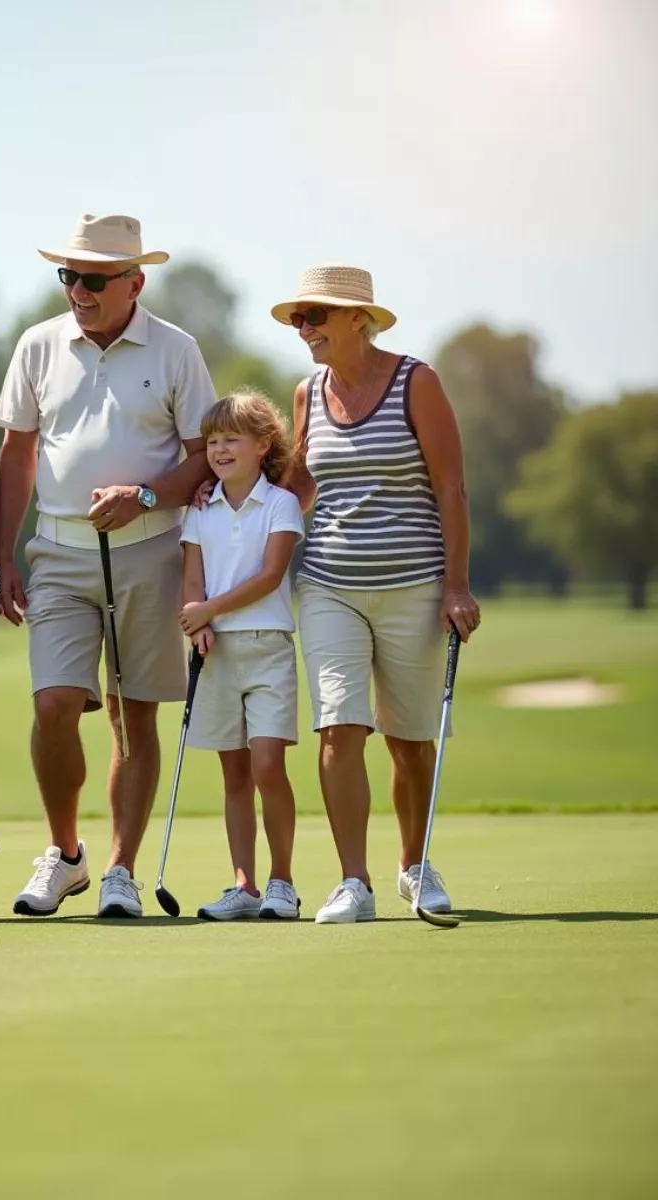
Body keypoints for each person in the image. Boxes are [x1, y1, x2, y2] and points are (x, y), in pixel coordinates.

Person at [0, 212, 216, 919]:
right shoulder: (37, 345)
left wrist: (144, 495)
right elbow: (17, 455)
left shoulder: (177, 350)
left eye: (92, 279)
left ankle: (121, 868)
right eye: (68, 276)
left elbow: (205, 456)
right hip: (57, 549)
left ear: (134, 282)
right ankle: (65, 857)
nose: (77, 290)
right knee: (54, 704)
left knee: (132, 717)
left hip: (150, 548)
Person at [270, 264, 481, 923]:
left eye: (317, 317)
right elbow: (301, 487)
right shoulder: (308, 392)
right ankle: (352, 882)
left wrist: (456, 584)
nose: (304, 330)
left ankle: (414, 867)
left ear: (359, 319)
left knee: (409, 740)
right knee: (339, 726)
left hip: (414, 586)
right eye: (299, 319)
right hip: (330, 584)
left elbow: (451, 487)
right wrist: (240, 512)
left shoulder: (417, 382)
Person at [178, 391, 305, 921]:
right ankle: (245, 886)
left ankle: (282, 882)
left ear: (263, 445)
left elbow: (270, 576)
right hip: (219, 654)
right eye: (213, 441)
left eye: (232, 439)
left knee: (268, 764)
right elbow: (192, 574)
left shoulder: (281, 504)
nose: (220, 449)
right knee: (234, 774)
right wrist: (196, 618)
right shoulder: (200, 508)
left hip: (268, 646)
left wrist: (206, 609)